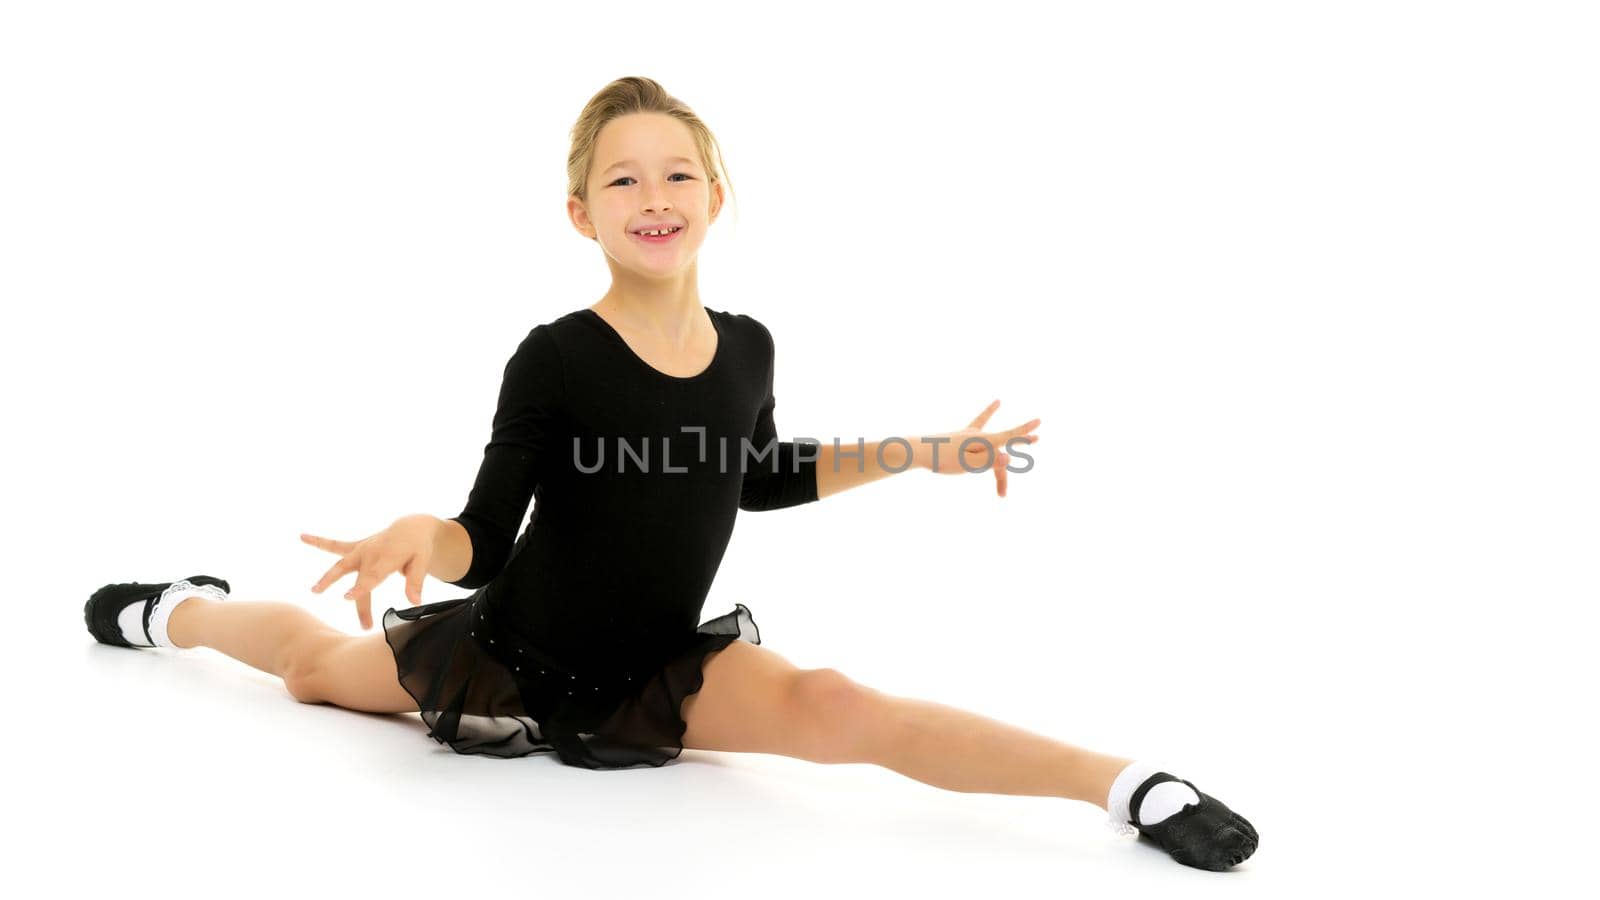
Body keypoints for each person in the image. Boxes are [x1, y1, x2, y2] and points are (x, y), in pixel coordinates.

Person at [83, 76, 1257, 871]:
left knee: (841, 705)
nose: (654, 198)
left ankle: (1133, 786)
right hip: (512, 653)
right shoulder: (556, 358)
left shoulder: (747, 345)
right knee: (310, 671)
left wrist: (919, 451)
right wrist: (418, 534)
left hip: (656, 664)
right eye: (623, 180)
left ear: (716, 195)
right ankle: (180, 609)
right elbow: (483, 537)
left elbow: (754, 475)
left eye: (677, 175)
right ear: (580, 212)